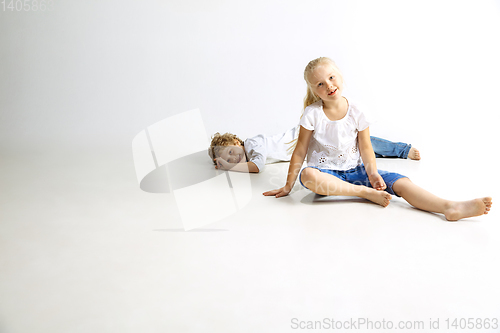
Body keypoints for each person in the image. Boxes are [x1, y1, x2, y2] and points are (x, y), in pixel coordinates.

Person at [263, 57, 492, 221]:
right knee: (309, 175)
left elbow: (365, 146)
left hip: (358, 170)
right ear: (314, 91)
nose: (329, 85)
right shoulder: (312, 113)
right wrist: (288, 185)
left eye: (331, 77)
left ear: (340, 77)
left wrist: (372, 174)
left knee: (401, 182)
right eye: (320, 84)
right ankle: (364, 193)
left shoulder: (357, 110)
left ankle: (448, 206)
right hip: (327, 176)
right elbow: (300, 150)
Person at [208, 128, 420, 173]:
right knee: (353, 148)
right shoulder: (250, 152)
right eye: (228, 158)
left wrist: (228, 167)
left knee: (358, 140)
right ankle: (393, 151)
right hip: (312, 148)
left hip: (311, 137)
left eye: (230, 151)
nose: (232, 157)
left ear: (237, 141)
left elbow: (257, 167)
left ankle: (402, 150)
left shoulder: (253, 144)